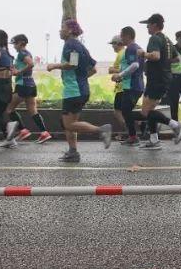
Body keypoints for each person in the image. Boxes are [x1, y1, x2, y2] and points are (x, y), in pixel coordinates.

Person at [47, 19, 111, 162]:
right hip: (81, 89)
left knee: (68, 124)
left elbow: (73, 64)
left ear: (69, 30)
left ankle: (101, 130)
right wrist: (81, 79)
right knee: (70, 122)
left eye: (62, 27)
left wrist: (54, 66)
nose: (60, 30)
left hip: (73, 91)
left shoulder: (70, 44)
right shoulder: (81, 46)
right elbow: (94, 69)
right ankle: (73, 152)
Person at [134, 14, 181, 149]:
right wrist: (165, 64)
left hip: (156, 79)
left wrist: (142, 54)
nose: (147, 27)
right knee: (150, 110)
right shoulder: (167, 40)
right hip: (163, 78)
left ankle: (176, 125)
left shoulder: (154, 38)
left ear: (155, 25)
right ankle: (154, 140)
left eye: (148, 24)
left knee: (145, 112)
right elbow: (177, 58)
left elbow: (155, 56)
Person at [3, 34, 50, 144]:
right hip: (31, 85)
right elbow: (27, 65)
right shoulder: (27, 53)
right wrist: (15, 70)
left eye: (15, 43)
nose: (14, 46)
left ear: (21, 43)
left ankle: (23, 130)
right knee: (33, 111)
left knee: (9, 109)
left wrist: (18, 72)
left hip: (23, 85)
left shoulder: (22, 53)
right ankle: (44, 133)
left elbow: (31, 64)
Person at [111, 26, 146, 147]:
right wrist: (118, 73)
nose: (121, 38)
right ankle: (134, 134)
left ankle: (137, 133)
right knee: (125, 110)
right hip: (136, 85)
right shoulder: (138, 48)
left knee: (125, 111)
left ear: (127, 36)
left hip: (132, 85)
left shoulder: (131, 48)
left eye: (122, 36)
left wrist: (120, 75)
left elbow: (135, 65)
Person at [107, 35, 128, 141]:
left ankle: (129, 133)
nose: (112, 46)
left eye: (113, 44)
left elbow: (124, 69)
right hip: (122, 87)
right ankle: (127, 133)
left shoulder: (121, 54)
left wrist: (112, 70)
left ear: (118, 44)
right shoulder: (123, 53)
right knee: (123, 112)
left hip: (122, 87)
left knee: (117, 112)